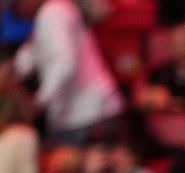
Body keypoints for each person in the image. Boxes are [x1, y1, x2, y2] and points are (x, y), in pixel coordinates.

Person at [11, 0, 124, 145]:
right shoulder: (55, 11)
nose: (18, 12)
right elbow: (31, 55)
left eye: (17, 4)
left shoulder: (52, 13)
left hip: (86, 116)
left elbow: (64, 63)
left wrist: (37, 103)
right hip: (88, 114)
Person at [139, 23, 185, 113]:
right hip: (164, 122)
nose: (178, 47)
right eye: (175, 43)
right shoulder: (162, 73)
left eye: (183, 43)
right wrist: (165, 101)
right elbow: (144, 101)